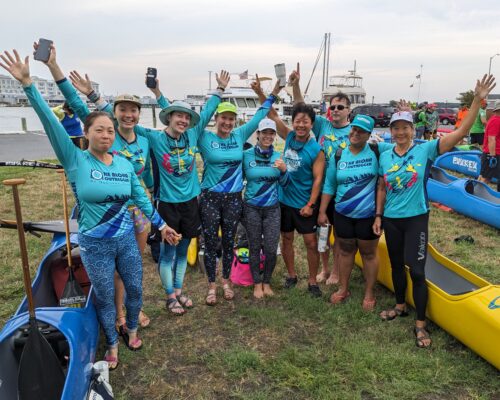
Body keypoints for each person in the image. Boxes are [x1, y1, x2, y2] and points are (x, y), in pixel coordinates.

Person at [0, 49, 180, 369]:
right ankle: (111, 341)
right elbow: (50, 123)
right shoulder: (76, 160)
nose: (106, 134)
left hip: (125, 239)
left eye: (110, 130)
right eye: (99, 129)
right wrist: (28, 85)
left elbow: (141, 198)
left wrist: (163, 225)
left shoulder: (123, 163)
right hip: (95, 243)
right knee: (106, 295)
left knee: (135, 287)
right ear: (87, 133)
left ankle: (131, 328)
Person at [36, 43, 159, 329]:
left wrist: (151, 196)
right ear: (114, 113)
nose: (128, 115)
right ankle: (118, 312)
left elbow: (147, 174)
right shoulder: (106, 135)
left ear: (139, 115)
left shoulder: (143, 140)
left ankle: (133, 307)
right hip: (107, 213)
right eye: (123, 110)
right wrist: (55, 68)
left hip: (137, 212)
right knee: (112, 267)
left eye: (133, 111)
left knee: (132, 265)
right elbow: (79, 106)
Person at [373, 75, 496, 348]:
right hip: (391, 219)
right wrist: (379, 216)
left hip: (416, 218)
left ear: (413, 130)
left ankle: (420, 324)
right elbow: (381, 184)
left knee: (417, 271)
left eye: (405, 128)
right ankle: (400, 305)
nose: (400, 133)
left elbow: (460, 133)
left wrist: (477, 101)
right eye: (396, 128)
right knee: (396, 266)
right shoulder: (384, 152)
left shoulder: (426, 150)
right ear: (390, 131)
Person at [124, 71, 230, 314]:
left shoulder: (192, 134)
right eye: (178, 116)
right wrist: (96, 99)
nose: (183, 120)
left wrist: (220, 90)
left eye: (186, 117)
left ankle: (179, 291)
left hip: (191, 202)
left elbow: (208, 112)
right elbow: (125, 122)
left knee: (183, 250)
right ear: (168, 118)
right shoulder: (154, 138)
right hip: (167, 204)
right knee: (168, 252)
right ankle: (170, 296)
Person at [198, 80, 280, 305]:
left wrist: (273, 93)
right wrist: (219, 92)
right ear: (216, 118)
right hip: (210, 198)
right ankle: (212, 286)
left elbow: (259, 115)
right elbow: (201, 118)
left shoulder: (239, 135)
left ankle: (226, 281)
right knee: (211, 242)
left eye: (231, 119)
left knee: (228, 242)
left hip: (233, 199)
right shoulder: (205, 138)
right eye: (223, 118)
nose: (227, 122)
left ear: (235, 121)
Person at [318, 115, 393, 310]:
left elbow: (403, 147)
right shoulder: (339, 153)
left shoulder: (378, 150)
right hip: (342, 214)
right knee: (345, 250)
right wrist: (322, 211)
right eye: (354, 129)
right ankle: (343, 289)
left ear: (369, 135)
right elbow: (330, 184)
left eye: (361, 131)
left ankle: (369, 293)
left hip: (368, 215)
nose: (356, 133)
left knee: (369, 254)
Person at [289, 64, 349, 285]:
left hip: (342, 192)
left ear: (348, 110)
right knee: (322, 232)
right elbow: (301, 107)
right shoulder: (323, 125)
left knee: (339, 235)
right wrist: (296, 85)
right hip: (320, 190)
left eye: (340, 107)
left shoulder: (354, 132)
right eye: (333, 107)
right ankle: (324, 268)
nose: (336, 110)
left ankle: (336, 272)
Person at [242, 118, 290, 298]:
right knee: (254, 247)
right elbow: (238, 179)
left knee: (270, 248)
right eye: (265, 132)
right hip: (251, 208)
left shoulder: (278, 156)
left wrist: (284, 171)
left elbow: (285, 184)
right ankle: (257, 283)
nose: (268, 136)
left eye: (272, 133)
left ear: (275, 135)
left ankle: (267, 282)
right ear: (258, 134)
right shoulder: (246, 155)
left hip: (272, 209)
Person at [479, 100, 500, 191]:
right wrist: (492, 156)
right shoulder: (496, 121)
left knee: (484, 176)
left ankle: (475, 193)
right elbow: (491, 139)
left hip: (493, 153)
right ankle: (477, 195)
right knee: (485, 178)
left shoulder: (495, 119)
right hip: (492, 154)